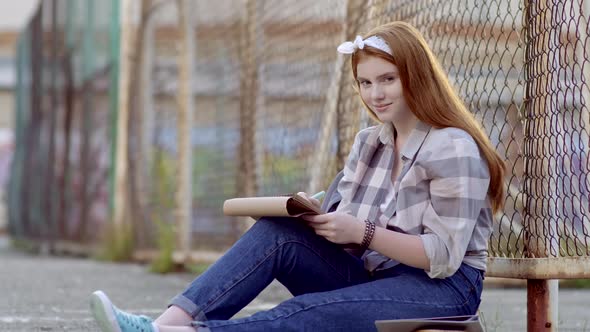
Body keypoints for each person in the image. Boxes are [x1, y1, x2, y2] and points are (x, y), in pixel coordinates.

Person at [90, 21, 505, 332]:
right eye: (365, 82)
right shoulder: (369, 143)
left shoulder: (452, 146)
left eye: (387, 80)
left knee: (303, 315)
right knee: (278, 232)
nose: (375, 94)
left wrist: (360, 231)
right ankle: (166, 323)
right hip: (376, 273)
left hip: (442, 290)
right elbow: (347, 221)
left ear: (415, 76)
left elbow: (441, 258)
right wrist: (313, 213)